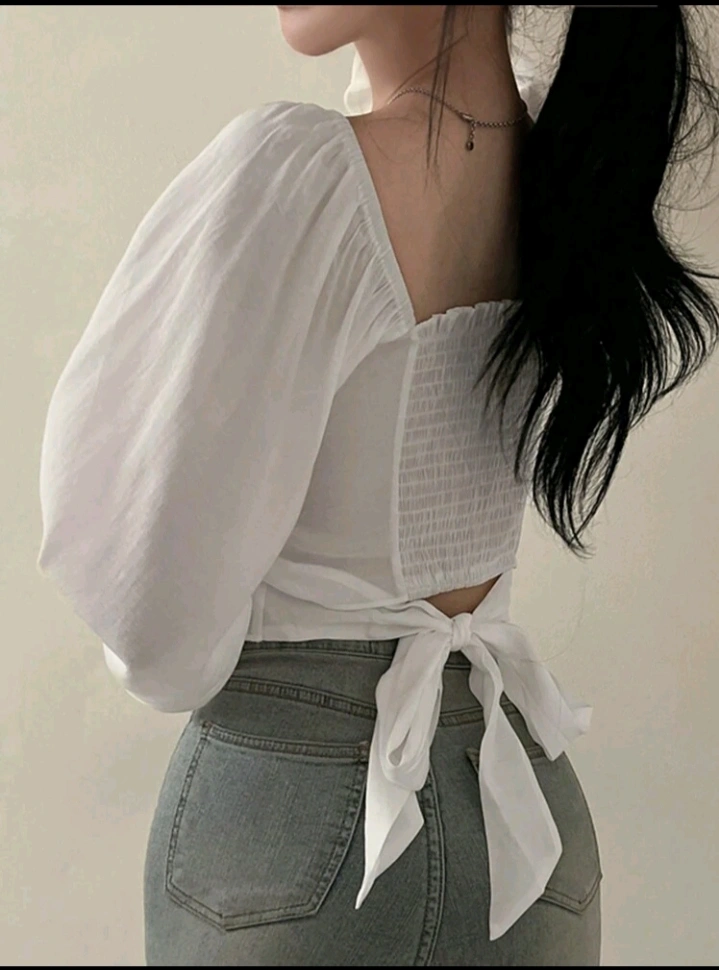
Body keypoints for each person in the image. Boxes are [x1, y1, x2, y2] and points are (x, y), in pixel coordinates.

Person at [36, 5, 719, 966]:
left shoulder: (302, 174)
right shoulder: (568, 172)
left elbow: (150, 614)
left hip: (296, 818)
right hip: (522, 818)